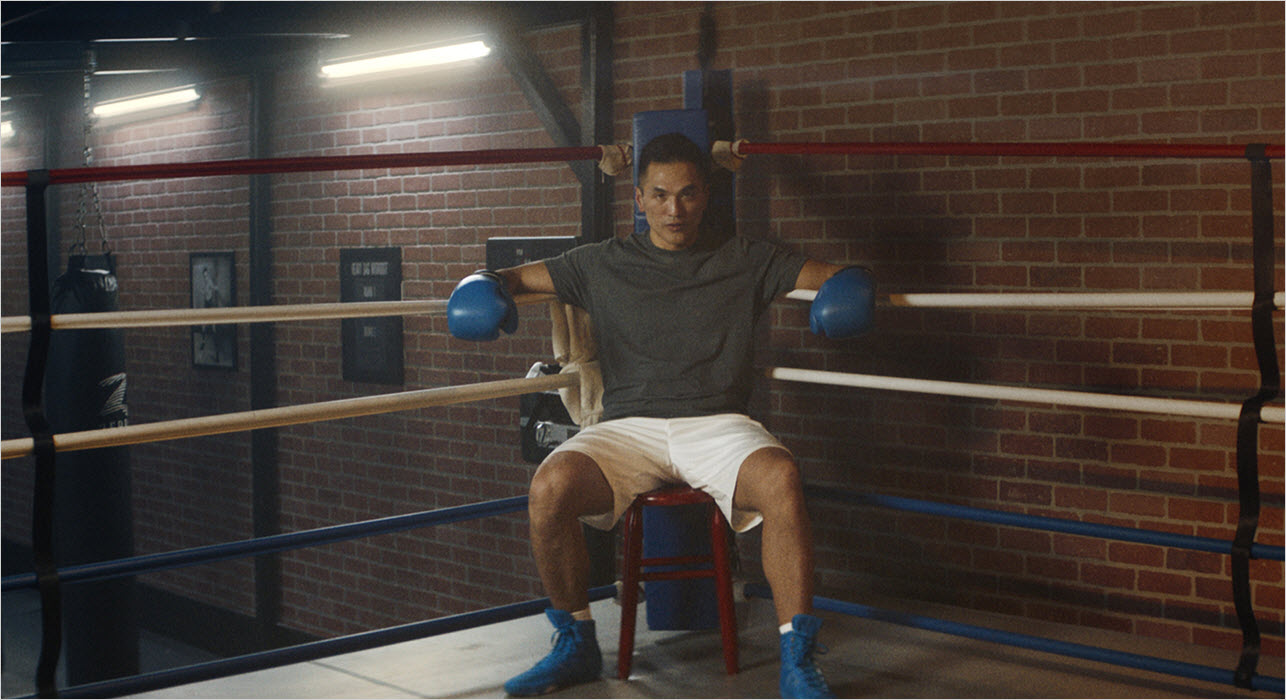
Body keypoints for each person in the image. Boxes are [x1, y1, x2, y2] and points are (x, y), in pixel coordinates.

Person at [447, 133, 874, 699]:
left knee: (781, 477)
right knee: (549, 487)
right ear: (640, 199)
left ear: (706, 196)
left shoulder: (747, 258)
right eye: (661, 194)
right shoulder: (600, 263)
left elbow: (839, 274)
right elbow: (513, 277)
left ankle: (797, 656)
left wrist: (847, 292)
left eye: (689, 194)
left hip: (718, 424)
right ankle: (574, 642)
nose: (676, 210)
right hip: (627, 430)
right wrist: (482, 288)